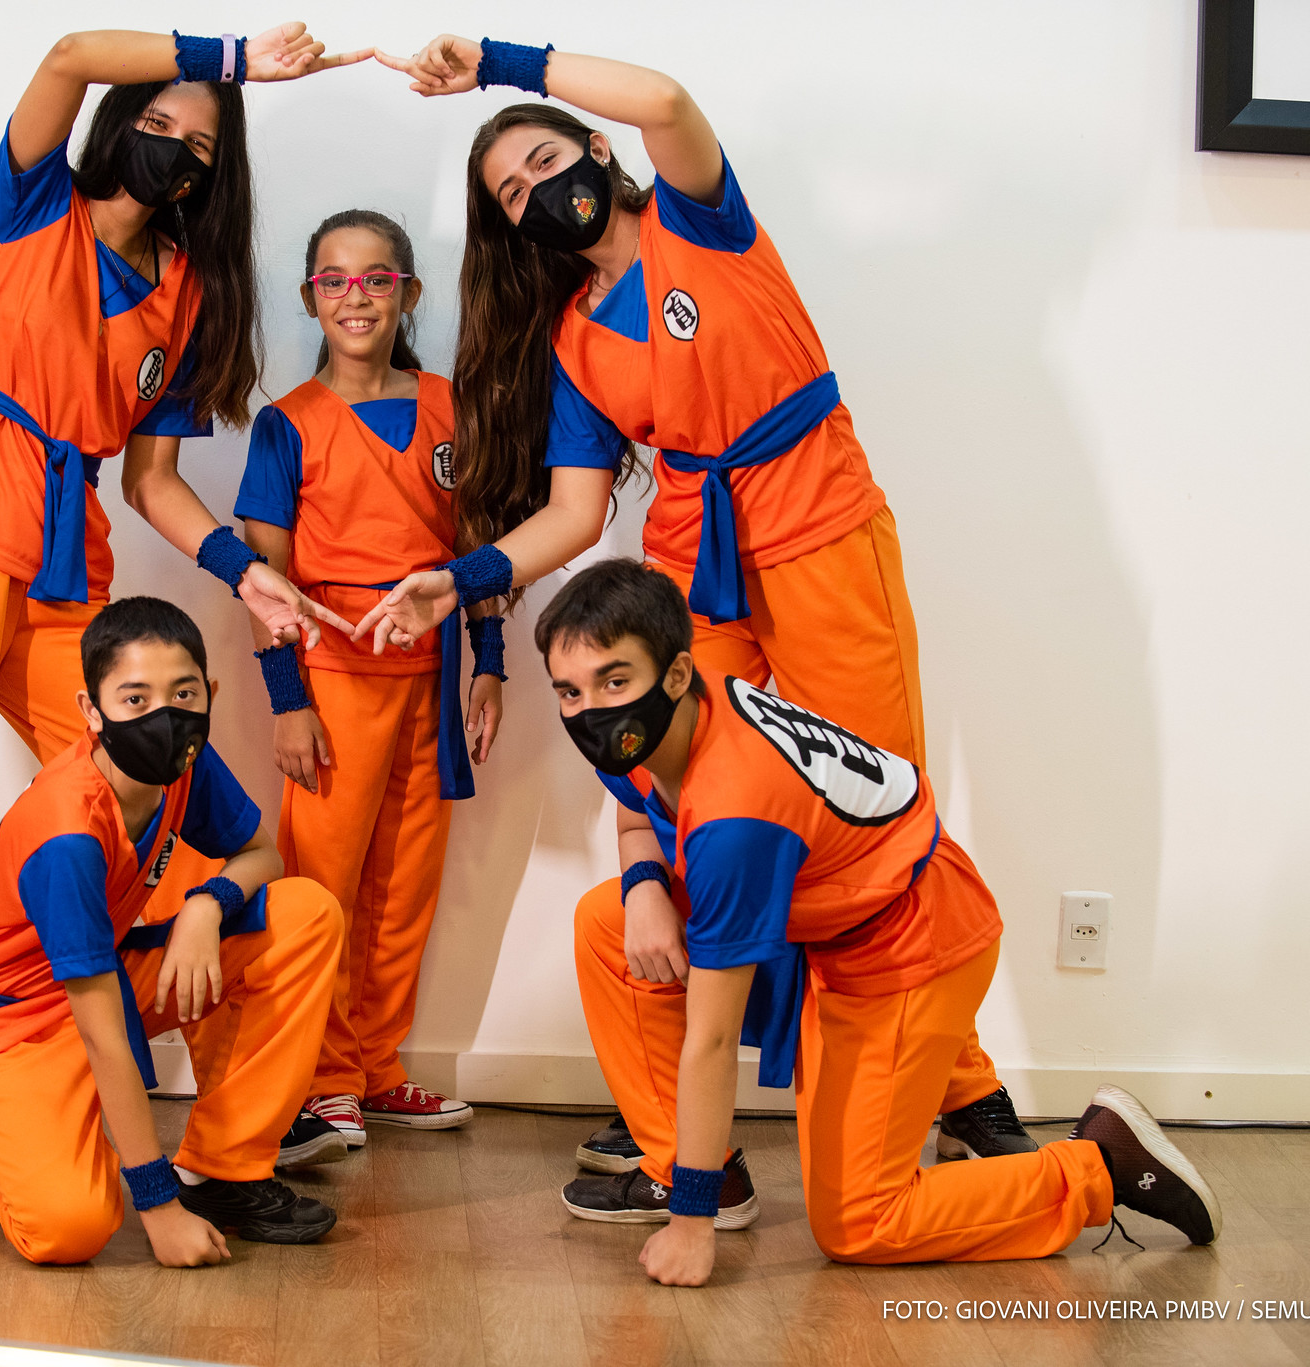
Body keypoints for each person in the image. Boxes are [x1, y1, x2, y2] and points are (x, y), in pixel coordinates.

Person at [357, 34, 1031, 1172]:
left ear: (595, 147)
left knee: (869, 808)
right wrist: (459, 580)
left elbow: (666, 99)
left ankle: (960, 1087)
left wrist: (499, 66)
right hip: (691, 562)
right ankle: (672, 1094)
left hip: (816, 524)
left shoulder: (697, 219)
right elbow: (574, 515)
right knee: (678, 786)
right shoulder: (574, 339)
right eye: (511, 194)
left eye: (543, 161)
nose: (536, 192)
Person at [0, 24, 368, 1163]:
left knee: (157, 805)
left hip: (68, 562)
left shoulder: (186, 294)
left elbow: (152, 480)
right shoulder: (35, 207)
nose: (171, 149)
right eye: (157, 123)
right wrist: (235, 59)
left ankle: (241, 1098)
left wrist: (248, 571)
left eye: (199, 145)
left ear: (210, 178)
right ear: (120, 124)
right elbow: (70, 54)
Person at [535, 560, 1220, 1285]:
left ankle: (1102, 1166)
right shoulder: (660, 723)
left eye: (614, 682)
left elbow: (710, 1039)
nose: (591, 710)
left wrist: (690, 1226)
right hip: (825, 916)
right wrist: (644, 884)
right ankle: (694, 1167)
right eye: (570, 691)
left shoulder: (734, 815)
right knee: (607, 922)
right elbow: (636, 808)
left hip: (909, 940)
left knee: (860, 1221)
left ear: (676, 674)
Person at [0, 597, 346, 1263]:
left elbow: (262, 854)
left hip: (95, 979)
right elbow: (103, 1034)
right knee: (72, 1228)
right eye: (135, 698)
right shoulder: (67, 833)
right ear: (92, 710)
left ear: (209, 693)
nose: (163, 716)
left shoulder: (185, 763)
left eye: (183, 694)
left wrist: (206, 904)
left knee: (304, 915)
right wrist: (157, 1207)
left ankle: (224, 1170)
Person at [234, 210, 502, 1150]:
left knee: (404, 886)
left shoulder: (452, 407)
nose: (357, 296)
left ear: (408, 293)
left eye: (377, 278)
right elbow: (265, 580)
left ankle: (379, 1068)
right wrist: (289, 702)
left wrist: (490, 664)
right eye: (336, 280)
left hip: (430, 677)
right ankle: (321, 1078)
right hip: (334, 678)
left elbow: (477, 544)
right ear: (311, 297)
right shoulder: (288, 426)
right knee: (324, 886)